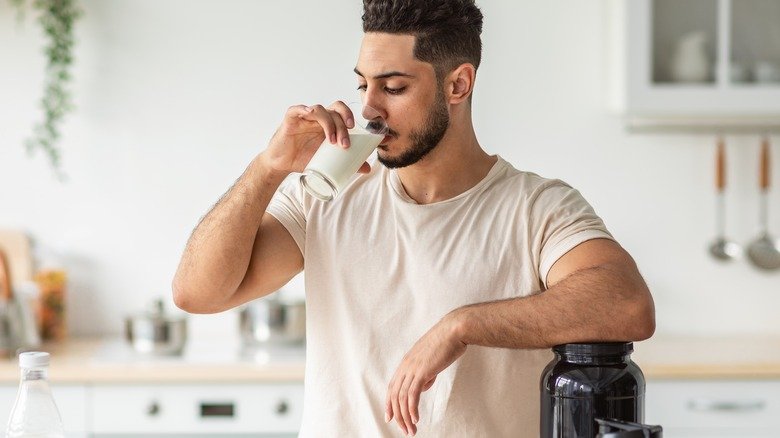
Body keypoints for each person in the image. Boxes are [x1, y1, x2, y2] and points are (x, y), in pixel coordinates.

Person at [172, 0, 656, 436]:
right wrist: (268, 167)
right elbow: (197, 293)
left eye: (394, 87)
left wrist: (460, 326)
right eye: (363, 84)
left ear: (458, 84)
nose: (369, 108)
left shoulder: (536, 207)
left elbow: (627, 305)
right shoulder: (327, 195)